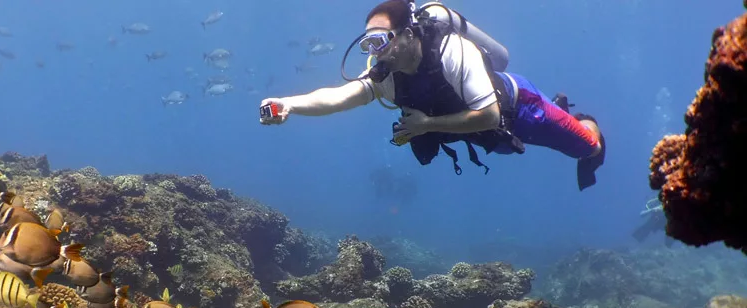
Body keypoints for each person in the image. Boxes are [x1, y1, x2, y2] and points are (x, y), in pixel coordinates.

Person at [259, 0, 607, 190]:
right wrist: (289, 104)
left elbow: (489, 114)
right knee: (506, 146)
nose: (375, 52)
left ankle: (580, 119)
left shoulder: (453, 52)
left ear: (408, 35)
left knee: (588, 148)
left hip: (521, 108)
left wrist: (426, 125)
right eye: (368, 44)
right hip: (488, 135)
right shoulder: (386, 75)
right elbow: (338, 98)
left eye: (380, 41)